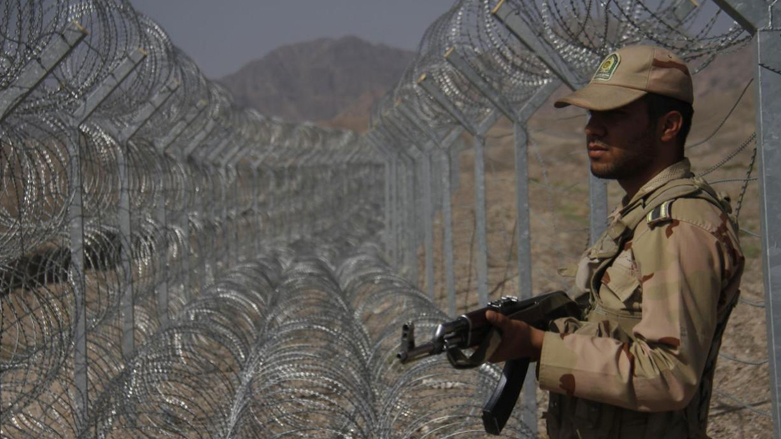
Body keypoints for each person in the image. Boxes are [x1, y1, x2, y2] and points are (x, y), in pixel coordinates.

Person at [485, 45, 744, 438]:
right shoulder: (640, 216)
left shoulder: (677, 226)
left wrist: (538, 345)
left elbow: (669, 372)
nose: (592, 128)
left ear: (668, 126)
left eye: (615, 115)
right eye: (592, 114)